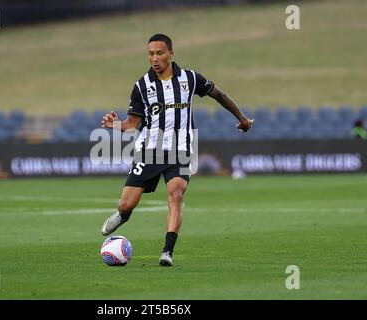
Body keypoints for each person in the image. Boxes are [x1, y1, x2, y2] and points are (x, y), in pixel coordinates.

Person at [100, 34, 254, 266]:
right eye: (150, 54)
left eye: (159, 53)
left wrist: (242, 119)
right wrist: (115, 125)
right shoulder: (142, 85)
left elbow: (219, 95)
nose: (155, 58)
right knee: (127, 203)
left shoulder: (190, 78)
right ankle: (123, 215)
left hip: (181, 149)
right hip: (149, 150)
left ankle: (167, 252)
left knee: (176, 194)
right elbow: (133, 123)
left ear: (171, 53)